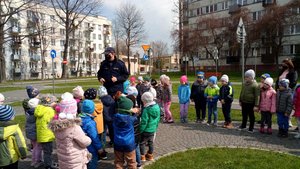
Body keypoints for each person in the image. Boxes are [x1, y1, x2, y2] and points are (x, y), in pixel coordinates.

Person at [114, 95, 138, 169]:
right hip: (129, 143)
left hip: (117, 142)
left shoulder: (115, 117)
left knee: (118, 161)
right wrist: (135, 111)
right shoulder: (130, 119)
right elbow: (136, 118)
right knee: (131, 162)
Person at [0, 103, 27, 169]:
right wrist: (23, 154)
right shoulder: (14, 129)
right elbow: (19, 143)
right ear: (10, 116)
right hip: (11, 159)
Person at [34, 95, 57, 169]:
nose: (56, 103)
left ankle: (48, 162)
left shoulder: (40, 109)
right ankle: (48, 165)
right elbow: (52, 120)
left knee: (46, 150)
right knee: (48, 152)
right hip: (47, 135)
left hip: (41, 134)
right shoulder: (49, 110)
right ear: (49, 103)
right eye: (54, 102)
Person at [22, 86, 42, 168]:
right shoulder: (36, 114)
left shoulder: (28, 112)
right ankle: (37, 161)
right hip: (35, 133)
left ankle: (33, 161)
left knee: (34, 148)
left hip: (30, 133)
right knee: (38, 148)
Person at [79, 100, 103, 169]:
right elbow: (94, 137)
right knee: (92, 163)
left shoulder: (78, 118)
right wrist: (99, 148)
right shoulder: (90, 123)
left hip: (81, 146)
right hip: (91, 148)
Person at [84, 88, 107, 159]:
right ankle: (102, 153)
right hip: (100, 126)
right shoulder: (100, 103)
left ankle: (96, 154)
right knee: (100, 140)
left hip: (94, 126)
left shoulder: (90, 106)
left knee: (93, 140)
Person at [140, 92, 160, 162]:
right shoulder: (157, 107)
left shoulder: (146, 110)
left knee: (142, 143)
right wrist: (155, 127)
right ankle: (150, 155)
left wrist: (141, 130)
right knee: (150, 142)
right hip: (153, 129)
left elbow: (144, 122)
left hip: (146, 130)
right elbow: (158, 119)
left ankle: (142, 156)